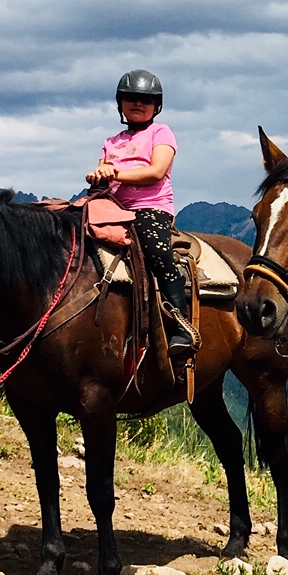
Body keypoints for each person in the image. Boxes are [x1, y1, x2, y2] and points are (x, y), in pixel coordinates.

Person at [86, 69, 195, 359]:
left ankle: (180, 324)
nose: (138, 103)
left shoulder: (161, 132)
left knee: (156, 252)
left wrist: (115, 172)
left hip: (150, 207)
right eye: (131, 98)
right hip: (113, 207)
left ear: (156, 106)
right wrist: (98, 176)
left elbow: (156, 171)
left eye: (146, 100)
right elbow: (104, 171)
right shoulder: (111, 142)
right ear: (120, 103)